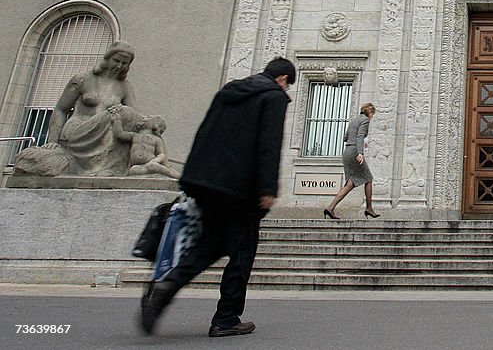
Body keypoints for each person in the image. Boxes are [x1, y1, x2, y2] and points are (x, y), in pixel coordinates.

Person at [139, 57, 295, 338]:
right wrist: (268, 189)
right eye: (287, 85)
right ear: (283, 79)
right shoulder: (273, 97)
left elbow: (204, 133)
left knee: (209, 245)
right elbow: (268, 145)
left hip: (206, 183)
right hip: (240, 191)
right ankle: (226, 318)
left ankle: (167, 285)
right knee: (241, 253)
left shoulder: (229, 91)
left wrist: (191, 178)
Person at [49, 41, 138, 175]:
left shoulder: (125, 86)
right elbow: (61, 109)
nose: (119, 66)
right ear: (108, 58)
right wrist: (52, 141)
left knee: (126, 115)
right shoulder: (82, 79)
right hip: (79, 132)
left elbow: (132, 117)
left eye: (124, 63)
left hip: (106, 135)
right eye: (116, 60)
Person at [323, 103, 379, 219]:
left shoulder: (354, 121)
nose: (372, 116)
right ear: (369, 112)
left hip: (347, 151)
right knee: (368, 179)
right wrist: (360, 152)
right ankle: (369, 208)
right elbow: (360, 136)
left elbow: (345, 137)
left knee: (350, 183)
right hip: (354, 151)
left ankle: (330, 208)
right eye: (372, 114)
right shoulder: (365, 120)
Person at [113, 110, 179, 179]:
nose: (144, 119)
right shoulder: (134, 136)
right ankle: (152, 175)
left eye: (148, 117)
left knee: (153, 166)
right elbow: (120, 135)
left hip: (150, 163)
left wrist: (155, 160)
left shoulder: (156, 139)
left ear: (155, 125)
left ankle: (174, 175)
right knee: (133, 171)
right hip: (138, 166)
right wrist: (117, 119)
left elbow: (161, 154)